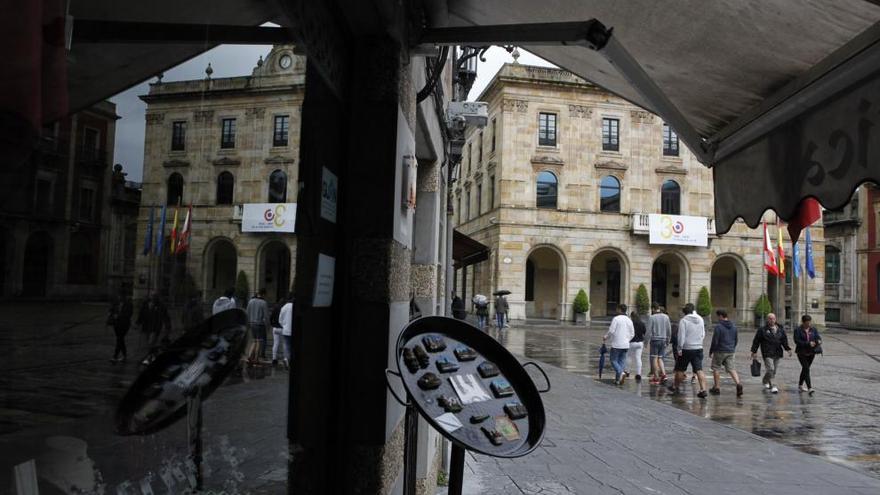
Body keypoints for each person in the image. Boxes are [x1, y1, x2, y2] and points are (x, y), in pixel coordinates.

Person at [669, 303, 708, 398]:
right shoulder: (700, 319)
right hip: (698, 347)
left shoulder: (684, 321)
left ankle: (675, 386)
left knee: (680, 369)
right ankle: (703, 389)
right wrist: (699, 342)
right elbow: (703, 333)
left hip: (686, 348)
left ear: (684, 312)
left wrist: (679, 348)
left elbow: (681, 336)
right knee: (699, 369)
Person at [750, 312, 792, 394]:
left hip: (777, 352)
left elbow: (784, 341)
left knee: (774, 371)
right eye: (770, 318)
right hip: (767, 352)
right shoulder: (762, 330)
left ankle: (765, 380)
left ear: (775, 319)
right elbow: (756, 341)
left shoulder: (780, 329)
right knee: (771, 369)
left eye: (773, 318)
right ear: (767, 320)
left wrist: (788, 349)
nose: (772, 320)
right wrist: (754, 351)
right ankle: (774, 386)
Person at [708, 309, 743, 396]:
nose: (717, 318)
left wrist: (711, 351)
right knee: (731, 368)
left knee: (716, 368)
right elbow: (736, 339)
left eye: (718, 316)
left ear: (721, 316)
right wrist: (732, 348)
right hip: (730, 350)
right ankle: (738, 384)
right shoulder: (734, 326)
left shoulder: (718, 327)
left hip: (720, 350)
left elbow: (715, 340)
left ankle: (717, 387)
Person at [603, 304, 635, 385]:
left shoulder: (616, 319)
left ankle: (621, 373)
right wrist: (627, 340)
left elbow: (611, 330)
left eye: (617, 309)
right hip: (625, 344)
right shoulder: (629, 320)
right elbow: (632, 333)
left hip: (616, 344)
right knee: (621, 361)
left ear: (620, 309)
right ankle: (618, 380)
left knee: (613, 360)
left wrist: (606, 337)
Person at [793, 314, 822, 394]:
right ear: (803, 322)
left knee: (805, 369)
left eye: (809, 322)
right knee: (806, 369)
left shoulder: (813, 329)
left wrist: (819, 340)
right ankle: (810, 388)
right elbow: (797, 341)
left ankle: (800, 385)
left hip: (812, 352)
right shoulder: (798, 330)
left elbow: (818, 337)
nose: (809, 324)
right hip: (801, 352)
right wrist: (807, 343)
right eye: (807, 323)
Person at [647, 303, 672, 384]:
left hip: (655, 340)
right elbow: (669, 330)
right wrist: (668, 340)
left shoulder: (652, 317)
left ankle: (656, 377)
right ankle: (664, 375)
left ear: (653, 309)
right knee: (660, 358)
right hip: (663, 339)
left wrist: (645, 341)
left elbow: (648, 331)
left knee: (654, 358)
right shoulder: (666, 317)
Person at [246, 289, 271, 363]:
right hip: (259, 324)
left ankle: (250, 356)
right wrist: (268, 326)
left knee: (254, 340)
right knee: (259, 341)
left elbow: (247, 312)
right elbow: (266, 316)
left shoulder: (250, 301)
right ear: (263, 294)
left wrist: (248, 323)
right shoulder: (263, 303)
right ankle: (256, 358)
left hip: (251, 323)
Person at [110, 296, 133, 362]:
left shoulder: (129, 304)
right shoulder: (116, 303)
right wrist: (111, 313)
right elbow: (111, 310)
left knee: (119, 339)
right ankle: (124, 356)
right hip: (116, 324)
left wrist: (118, 316)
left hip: (124, 325)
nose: (120, 297)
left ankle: (115, 356)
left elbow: (129, 314)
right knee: (121, 340)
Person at [626, 311, 646, 381]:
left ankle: (627, 372)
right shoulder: (642, 323)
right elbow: (645, 332)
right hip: (640, 342)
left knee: (629, 356)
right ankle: (638, 374)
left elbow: (627, 333)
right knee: (638, 358)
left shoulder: (630, 323)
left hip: (632, 342)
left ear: (631, 316)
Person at [278, 293, 295, 369]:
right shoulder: (295, 307)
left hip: (285, 330)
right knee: (292, 346)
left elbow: (280, 320)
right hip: (293, 330)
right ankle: (290, 360)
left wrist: (284, 326)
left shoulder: (283, 307)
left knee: (286, 345)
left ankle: (286, 358)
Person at [270, 298, 285, 366]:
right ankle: (284, 358)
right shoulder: (284, 308)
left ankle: (274, 359)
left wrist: (272, 324)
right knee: (283, 344)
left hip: (275, 328)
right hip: (282, 328)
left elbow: (271, 317)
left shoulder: (275, 307)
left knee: (275, 343)